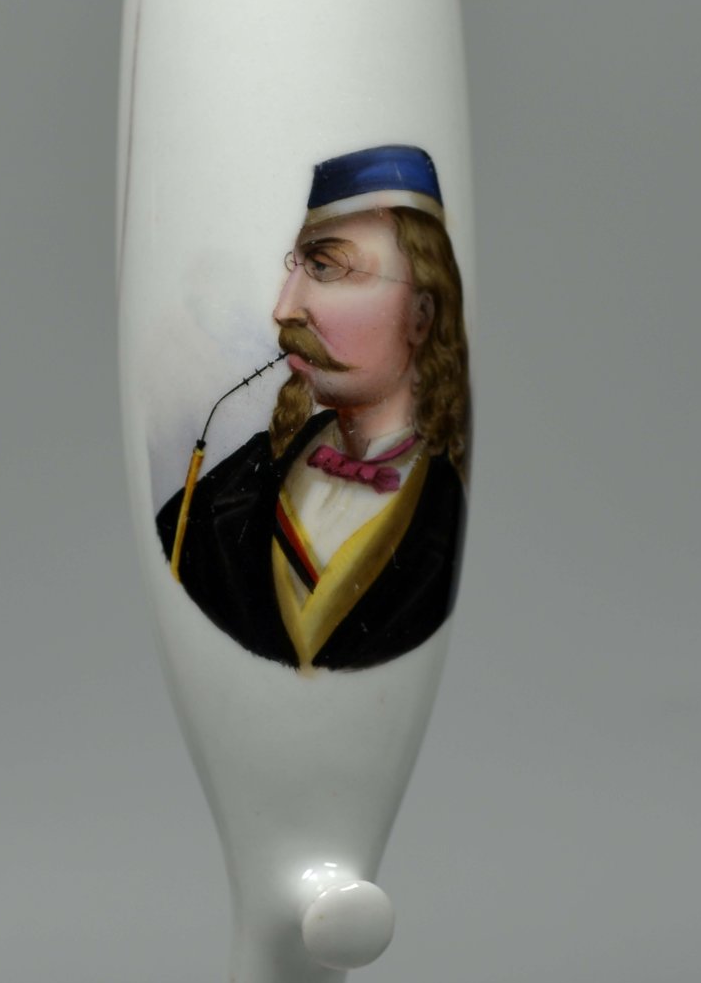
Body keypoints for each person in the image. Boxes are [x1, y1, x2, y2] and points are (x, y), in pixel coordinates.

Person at [157, 144, 471, 672]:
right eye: (296, 266)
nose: (283, 309)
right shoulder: (229, 494)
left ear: (421, 313)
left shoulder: (451, 512)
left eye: (324, 266)